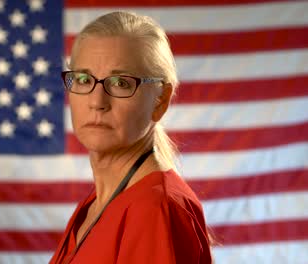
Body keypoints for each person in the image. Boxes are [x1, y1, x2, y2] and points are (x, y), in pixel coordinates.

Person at [50, 11, 212, 264]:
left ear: (161, 100)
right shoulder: (94, 205)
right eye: (83, 79)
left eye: (120, 83)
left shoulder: (155, 209)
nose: (97, 102)